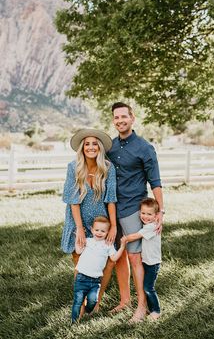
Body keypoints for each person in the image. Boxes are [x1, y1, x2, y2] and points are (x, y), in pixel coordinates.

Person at [107, 102, 164, 322]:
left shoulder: (144, 148)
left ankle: (142, 306)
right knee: (119, 257)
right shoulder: (109, 147)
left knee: (134, 257)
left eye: (124, 116)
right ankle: (125, 300)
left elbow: (156, 183)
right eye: (116, 117)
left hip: (132, 208)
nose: (120, 120)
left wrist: (161, 212)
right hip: (112, 208)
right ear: (113, 121)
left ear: (132, 118)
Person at [61, 128, 117, 267]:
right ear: (82, 147)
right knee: (79, 260)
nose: (91, 147)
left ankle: (99, 289)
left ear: (100, 147)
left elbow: (110, 200)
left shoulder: (108, 168)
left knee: (102, 259)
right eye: (87, 144)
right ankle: (79, 289)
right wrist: (79, 228)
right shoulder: (73, 167)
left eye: (94, 143)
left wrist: (114, 226)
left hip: (99, 221)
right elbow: (73, 201)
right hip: (77, 219)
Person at [72, 216, 126, 323]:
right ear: (92, 230)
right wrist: (78, 237)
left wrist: (122, 247)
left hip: (95, 281)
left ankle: (88, 310)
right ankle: (74, 321)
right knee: (78, 301)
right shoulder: (87, 241)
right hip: (81, 278)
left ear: (107, 232)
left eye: (103, 231)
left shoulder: (108, 245)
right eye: (97, 230)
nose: (99, 233)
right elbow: (78, 251)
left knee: (93, 301)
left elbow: (114, 258)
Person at [123, 198, 162, 320]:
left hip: (153, 263)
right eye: (143, 213)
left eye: (149, 214)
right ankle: (150, 309)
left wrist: (125, 238)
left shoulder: (152, 226)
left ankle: (156, 310)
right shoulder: (148, 225)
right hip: (147, 261)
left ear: (156, 215)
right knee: (147, 286)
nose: (145, 216)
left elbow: (136, 236)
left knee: (148, 287)